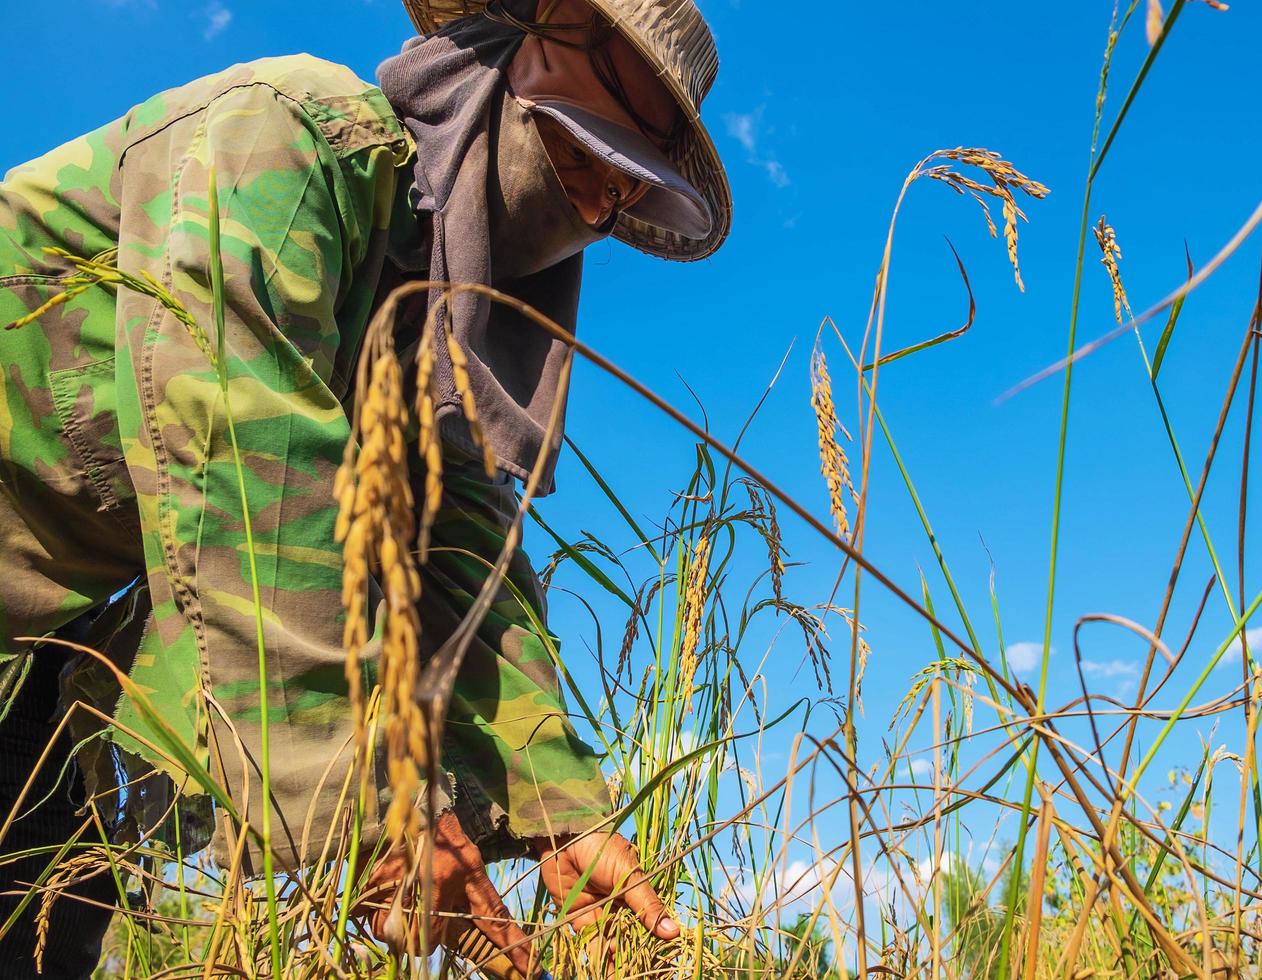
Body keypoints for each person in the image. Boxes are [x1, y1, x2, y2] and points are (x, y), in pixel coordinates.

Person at [0, 0, 730, 975]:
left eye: (621, 187)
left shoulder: (436, 336)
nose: (593, 196)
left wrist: (560, 810)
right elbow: (239, 452)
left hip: (49, 645)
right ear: (506, 60)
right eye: (583, 143)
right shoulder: (293, 141)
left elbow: (465, 554)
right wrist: (364, 803)